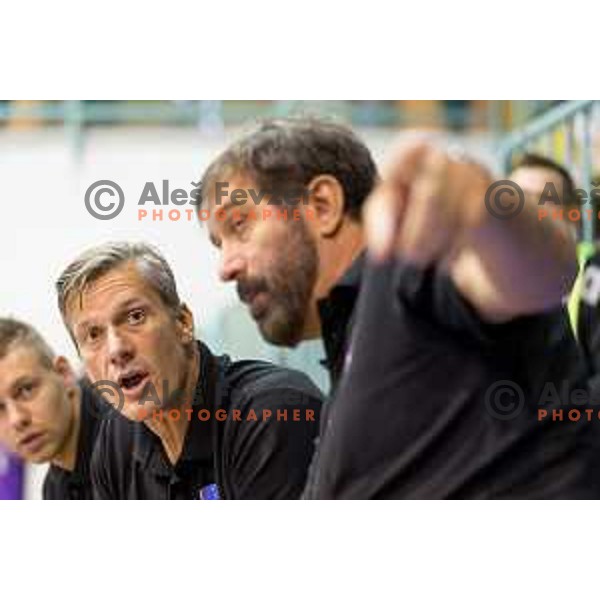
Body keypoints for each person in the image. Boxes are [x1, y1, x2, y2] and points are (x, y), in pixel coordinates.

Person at [199, 118, 599, 498]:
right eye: (219, 244)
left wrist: (481, 208)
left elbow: (543, 274)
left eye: (239, 226)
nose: (225, 267)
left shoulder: (412, 264)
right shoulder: (350, 336)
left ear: (322, 205)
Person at [56, 241, 323, 499]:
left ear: (183, 322)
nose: (116, 350)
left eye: (135, 317)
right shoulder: (116, 442)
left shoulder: (274, 413)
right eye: (93, 335)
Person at [0, 318, 106, 499]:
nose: (17, 419)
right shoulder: (55, 489)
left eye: (26, 390)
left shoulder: (131, 431)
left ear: (64, 374)